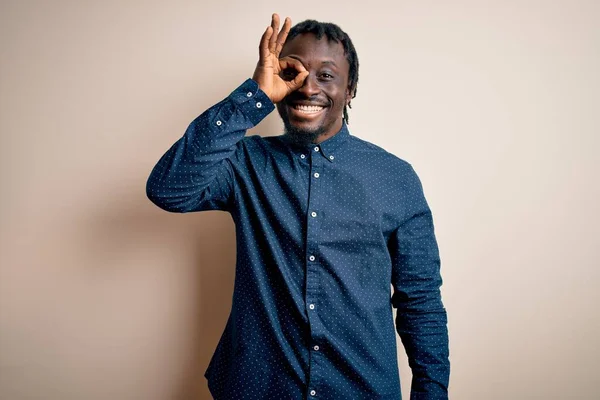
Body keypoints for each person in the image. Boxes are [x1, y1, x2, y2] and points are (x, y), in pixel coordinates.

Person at [146, 13, 449, 400]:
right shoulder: (244, 163)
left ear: (350, 88)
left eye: (326, 75)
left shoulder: (395, 178)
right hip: (258, 387)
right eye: (294, 72)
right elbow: (168, 190)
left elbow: (420, 300)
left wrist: (432, 393)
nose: (307, 88)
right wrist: (254, 95)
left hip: (362, 389)